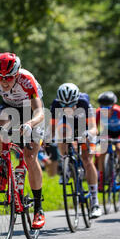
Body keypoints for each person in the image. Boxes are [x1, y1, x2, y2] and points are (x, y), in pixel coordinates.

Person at [0, 52, 45, 229]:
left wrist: (30, 124)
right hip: (9, 106)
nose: (4, 81)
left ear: (17, 74)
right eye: (0, 77)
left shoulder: (26, 80)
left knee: (30, 157)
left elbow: (40, 113)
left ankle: (39, 208)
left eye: (9, 78)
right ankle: (2, 166)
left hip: (30, 110)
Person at [49, 83, 102, 219]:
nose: (67, 108)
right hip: (68, 125)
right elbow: (53, 127)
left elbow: (93, 128)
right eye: (64, 105)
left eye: (71, 104)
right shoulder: (55, 104)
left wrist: (88, 135)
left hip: (84, 126)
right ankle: (66, 163)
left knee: (87, 160)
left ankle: (95, 202)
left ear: (76, 100)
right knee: (61, 135)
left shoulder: (84, 103)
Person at [95, 91, 120, 192]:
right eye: (103, 108)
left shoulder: (119, 111)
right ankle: (101, 180)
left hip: (119, 133)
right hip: (106, 132)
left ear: (113, 106)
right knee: (101, 152)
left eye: (108, 108)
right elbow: (94, 128)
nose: (105, 111)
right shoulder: (98, 112)